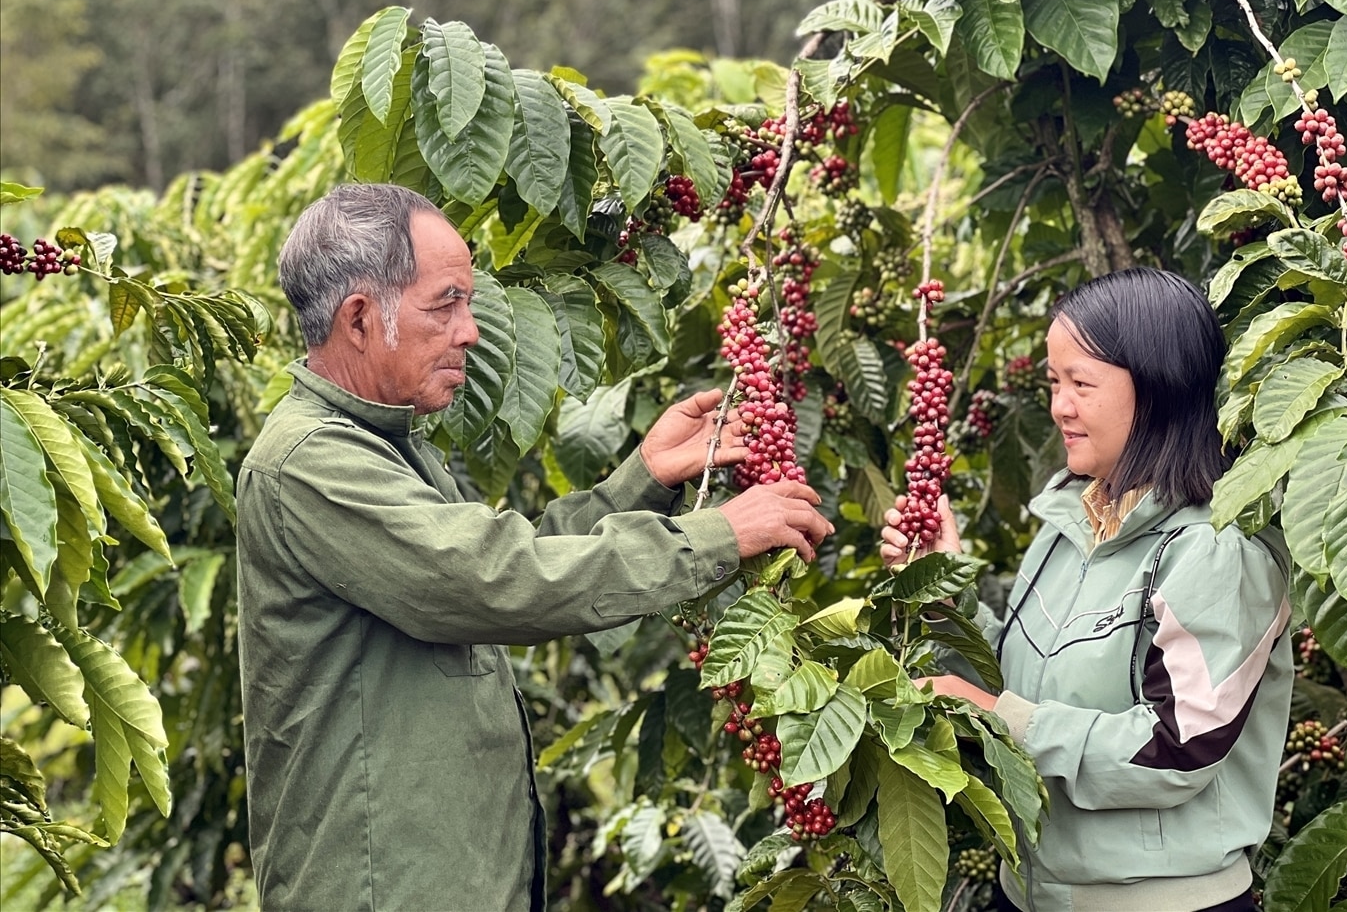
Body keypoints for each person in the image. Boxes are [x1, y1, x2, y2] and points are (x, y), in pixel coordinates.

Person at [237, 183, 834, 912]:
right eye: (445, 304)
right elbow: (487, 578)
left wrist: (641, 483)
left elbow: (496, 559)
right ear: (360, 318)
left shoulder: (386, 444)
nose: (471, 332)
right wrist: (715, 535)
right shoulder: (309, 461)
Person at [882, 267, 1292, 912]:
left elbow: (1177, 751)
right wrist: (944, 593)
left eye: (1082, 384)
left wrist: (1000, 720)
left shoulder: (1216, 551)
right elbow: (1012, 679)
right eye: (1054, 382)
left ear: (1158, 390)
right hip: (1032, 891)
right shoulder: (1072, 521)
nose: (1060, 406)